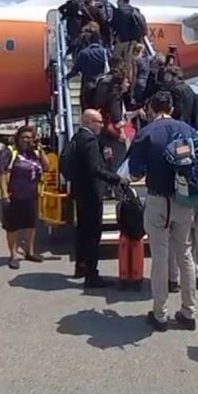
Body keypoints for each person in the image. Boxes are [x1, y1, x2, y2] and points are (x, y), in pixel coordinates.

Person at [128, 91, 198, 331]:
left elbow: (136, 173)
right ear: (172, 107)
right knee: (184, 255)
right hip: (184, 201)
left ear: (152, 108)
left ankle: (160, 314)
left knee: (160, 257)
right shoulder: (187, 131)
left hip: (158, 200)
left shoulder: (146, 134)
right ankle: (189, 312)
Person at [68, 109, 126, 288]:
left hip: (80, 191)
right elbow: (95, 169)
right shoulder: (90, 140)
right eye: (98, 122)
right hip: (92, 192)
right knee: (93, 234)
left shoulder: (76, 138)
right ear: (88, 122)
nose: (101, 125)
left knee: (82, 232)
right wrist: (117, 179)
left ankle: (81, 266)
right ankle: (92, 275)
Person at [0, 125, 51, 269]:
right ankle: (14, 255)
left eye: (30, 138)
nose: (27, 140)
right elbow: (2, 173)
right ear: (18, 138)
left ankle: (29, 252)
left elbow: (47, 167)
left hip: (32, 194)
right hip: (13, 195)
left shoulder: (35, 153)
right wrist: (4, 194)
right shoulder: (10, 152)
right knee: (13, 227)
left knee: (30, 225)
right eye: (24, 137)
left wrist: (40, 149)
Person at [66, 32, 109, 111]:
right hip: (101, 85)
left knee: (86, 109)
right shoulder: (104, 52)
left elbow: (75, 70)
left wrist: (67, 77)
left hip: (87, 85)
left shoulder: (83, 53)